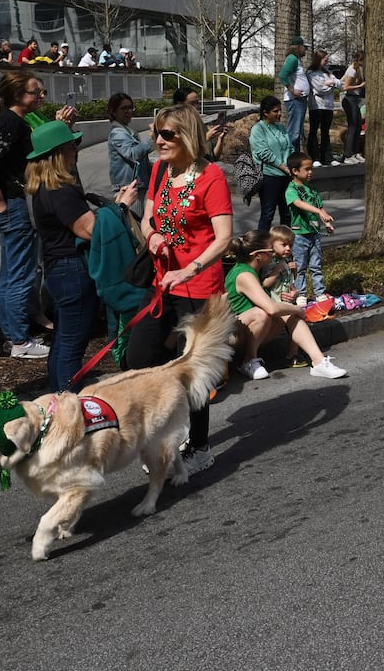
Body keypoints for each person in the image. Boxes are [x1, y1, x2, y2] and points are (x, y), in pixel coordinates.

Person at [127, 104, 234, 473]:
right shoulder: (159, 170)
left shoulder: (212, 177)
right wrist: (153, 235)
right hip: (161, 282)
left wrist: (189, 269)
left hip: (199, 285)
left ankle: (200, 446)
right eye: (156, 132)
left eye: (167, 134)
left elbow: (223, 239)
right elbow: (146, 217)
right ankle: (165, 434)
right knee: (140, 356)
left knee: (193, 368)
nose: (158, 140)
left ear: (188, 135)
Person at [27, 121, 140, 392]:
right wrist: (122, 206)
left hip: (60, 271)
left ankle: (59, 396)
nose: (76, 151)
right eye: (72, 146)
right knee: (71, 345)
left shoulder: (47, 187)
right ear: (60, 153)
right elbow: (90, 231)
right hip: (71, 271)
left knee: (64, 341)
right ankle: (69, 403)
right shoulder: (60, 191)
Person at [0, 71, 54, 359]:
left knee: (11, 274)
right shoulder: (10, 122)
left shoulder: (14, 121)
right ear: (18, 95)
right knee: (20, 274)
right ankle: (19, 340)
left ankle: (13, 334)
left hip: (16, 204)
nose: (41, 96)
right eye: (35, 92)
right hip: (14, 206)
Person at [227, 230, 347, 381]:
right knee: (263, 313)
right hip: (234, 335)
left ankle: (318, 362)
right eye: (270, 250)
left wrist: (293, 295)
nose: (273, 253)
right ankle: (248, 361)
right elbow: (271, 307)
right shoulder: (244, 275)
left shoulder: (257, 270)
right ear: (257, 255)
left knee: (287, 314)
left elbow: (275, 297)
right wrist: (298, 309)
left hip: (254, 332)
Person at [285, 152, 334, 303]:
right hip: (299, 235)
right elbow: (299, 204)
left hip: (314, 234)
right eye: (307, 169)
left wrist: (326, 222)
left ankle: (320, 293)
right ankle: (301, 294)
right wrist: (318, 211)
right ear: (295, 171)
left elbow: (320, 207)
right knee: (300, 267)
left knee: (316, 265)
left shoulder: (312, 189)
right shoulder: (292, 190)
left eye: (311, 168)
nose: (310, 172)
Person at [251, 95, 293, 232]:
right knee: (268, 213)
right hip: (270, 177)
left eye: (280, 110)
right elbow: (264, 154)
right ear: (265, 112)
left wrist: (292, 165)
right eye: (275, 111)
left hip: (287, 176)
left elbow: (290, 147)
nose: (279, 114)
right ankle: (262, 245)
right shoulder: (258, 129)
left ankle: (285, 245)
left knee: (287, 213)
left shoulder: (281, 127)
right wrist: (283, 167)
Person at [304, 49, 339, 165]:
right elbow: (319, 89)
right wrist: (330, 85)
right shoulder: (311, 73)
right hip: (316, 106)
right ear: (318, 60)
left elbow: (338, 83)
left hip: (328, 107)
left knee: (325, 132)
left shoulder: (327, 72)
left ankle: (327, 157)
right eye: (325, 60)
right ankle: (315, 157)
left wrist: (330, 83)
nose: (327, 62)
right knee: (314, 131)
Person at [278, 36, 309, 150]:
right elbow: (282, 75)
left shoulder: (297, 60)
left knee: (297, 131)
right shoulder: (292, 59)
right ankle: (288, 158)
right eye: (304, 47)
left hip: (300, 100)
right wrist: (292, 90)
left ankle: (295, 157)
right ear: (298, 47)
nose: (306, 50)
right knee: (294, 132)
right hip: (295, 100)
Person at [340, 51, 366, 162]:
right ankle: (348, 154)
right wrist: (360, 85)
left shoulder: (358, 70)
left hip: (355, 99)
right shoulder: (352, 70)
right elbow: (345, 87)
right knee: (353, 126)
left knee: (358, 125)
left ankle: (355, 152)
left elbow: (341, 79)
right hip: (349, 99)